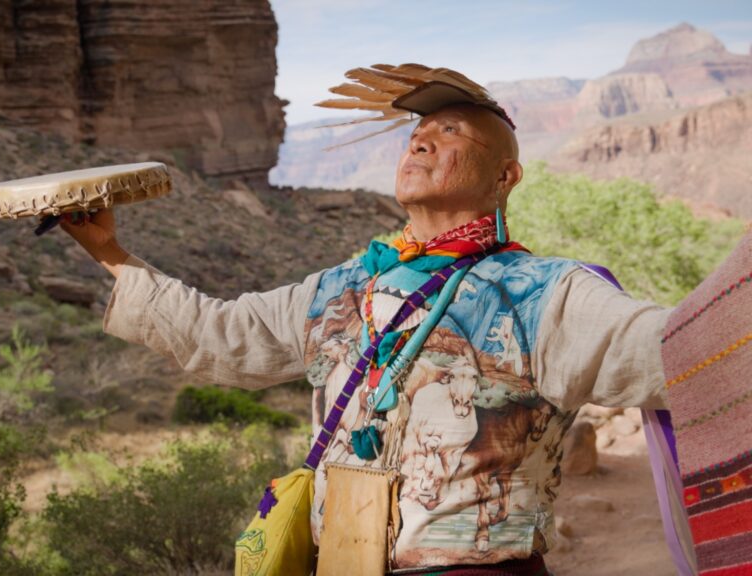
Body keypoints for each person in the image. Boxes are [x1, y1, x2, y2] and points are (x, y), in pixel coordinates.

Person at [61, 69, 675, 574]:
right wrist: (109, 252)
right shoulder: (347, 285)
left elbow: (672, 350)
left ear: (505, 176)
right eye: (418, 133)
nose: (421, 143)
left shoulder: (547, 294)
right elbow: (223, 334)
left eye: (450, 131)